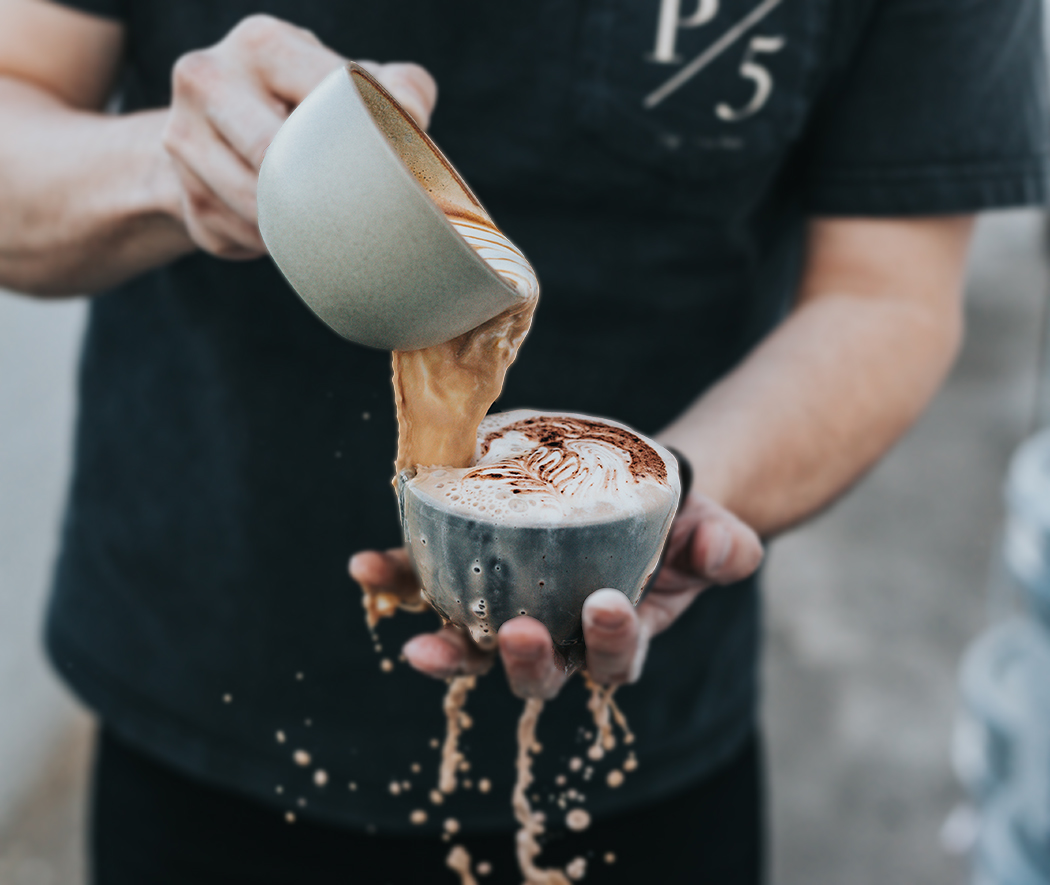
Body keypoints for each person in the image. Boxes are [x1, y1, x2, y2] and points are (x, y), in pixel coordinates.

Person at [0, 0, 1046, 882]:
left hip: (639, 744)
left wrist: (663, 508)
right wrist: (167, 164)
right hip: (196, 678)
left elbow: (887, 296)